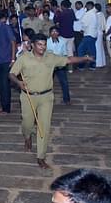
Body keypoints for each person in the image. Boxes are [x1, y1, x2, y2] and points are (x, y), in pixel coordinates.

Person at [9, 34, 94, 169]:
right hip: (28, 97)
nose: (43, 47)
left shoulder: (51, 57)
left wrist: (84, 58)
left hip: (46, 97)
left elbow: (68, 60)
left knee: (44, 127)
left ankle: (41, 157)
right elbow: (12, 74)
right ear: (32, 45)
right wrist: (19, 82)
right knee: (27, 123)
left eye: (44, 44)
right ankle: (27, 136)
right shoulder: (24, 58)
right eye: (39, 45)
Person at [0, 12, 17, 114]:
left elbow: (13, 42)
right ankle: (3, 105)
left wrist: (13, 58)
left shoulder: (6, 28)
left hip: (6, 59)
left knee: (5, 83)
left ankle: (7, 108)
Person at [47, 26, 71, 105]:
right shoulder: (47, 42)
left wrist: (63, 63)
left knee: (64, 82)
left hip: (60, 65)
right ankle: (48, 99)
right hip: (50, 65)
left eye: (56, 31)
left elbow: (64, 53)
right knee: (48, 83)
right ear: (50, 33)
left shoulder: (62, 42)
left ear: (58, 33)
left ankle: (66, 99)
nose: (54, 33)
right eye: (52, 32)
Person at [54, 0, 76, 72]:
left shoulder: (62, 13)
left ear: (63, 6)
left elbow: (56, 20)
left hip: (63, 35)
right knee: (70, 52)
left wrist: (57, 12)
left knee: (61, 51)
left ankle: (62, 67)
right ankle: (70, 69)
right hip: (71, 35)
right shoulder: (72, 12)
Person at [77, 1, 98, 70]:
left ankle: (82, 65)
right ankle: (92, 65)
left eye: (86, 6)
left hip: (88, 34)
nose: (85, 7)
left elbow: (84, 23)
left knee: (81, 49)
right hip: (93, 34)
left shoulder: (89, 14)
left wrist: (82, 29)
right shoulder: (94, 13)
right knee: (91, 50)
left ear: (89, 6)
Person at [94, 3, 106, 68]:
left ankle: (98, 63)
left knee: (97, 48)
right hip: (101, 32)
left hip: (97, 32)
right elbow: (104, 24)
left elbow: (96, 25)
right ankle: (102, 62)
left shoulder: (96, 15)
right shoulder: (102, 14)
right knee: (101, 47)